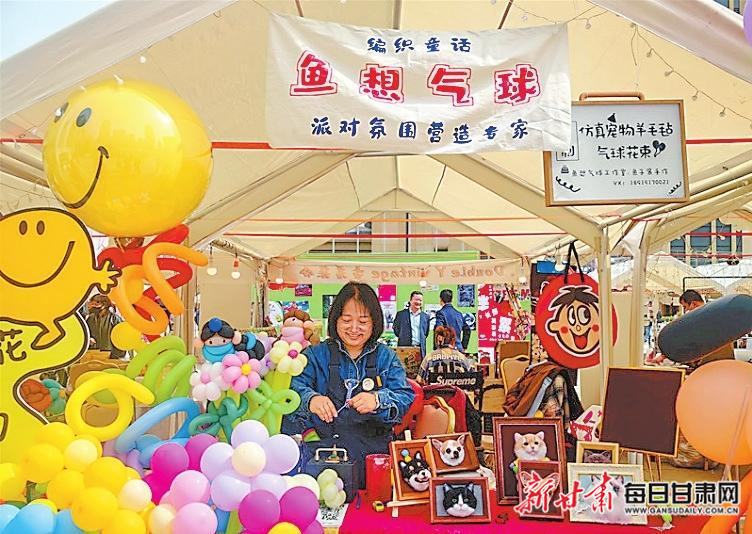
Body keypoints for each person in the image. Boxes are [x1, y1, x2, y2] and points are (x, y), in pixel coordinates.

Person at [289, 282, 415, 487]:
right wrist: (310, 399)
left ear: (374, 322)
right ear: (335, 320)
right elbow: (292, 388)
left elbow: (405, 396)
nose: (354, 328)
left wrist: (378, 400)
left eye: (363, 321)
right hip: (322, 459)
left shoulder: (386, 357)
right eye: (347, 320)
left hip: (374, 461)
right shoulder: (315, 355)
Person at [85, 294, 125, 358]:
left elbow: (122, 338)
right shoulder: (90, 318)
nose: (93, 304)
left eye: (97, 302)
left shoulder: (114, 318)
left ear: (105, 304)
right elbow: (85, 334)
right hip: (93, 354)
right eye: (92, 302)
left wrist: (116, 355)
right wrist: (88, 339)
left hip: (111, 355)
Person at [392, 291, 429, 357]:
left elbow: (426, 333)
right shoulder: (401, 315)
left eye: (420, 300)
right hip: (404, 349)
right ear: (410, 301)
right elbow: (396, 330)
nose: (418, 302)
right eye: (416, 300)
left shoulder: (425, 317)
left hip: (420, 350)